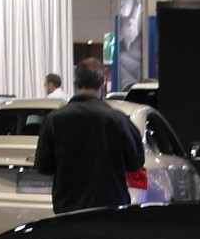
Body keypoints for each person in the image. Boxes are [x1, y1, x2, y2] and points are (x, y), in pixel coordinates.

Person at [34, 64, 142, 214]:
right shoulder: (118, 119)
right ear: (102, 85)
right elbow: (135, 162)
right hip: (110, 206)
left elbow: (43, 166)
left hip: (68, 206)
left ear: (75, 85)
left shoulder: (54, 119)